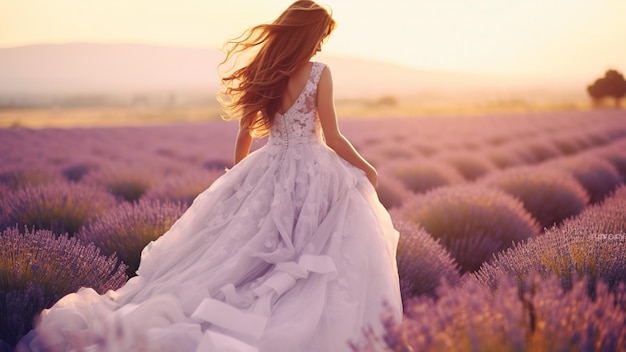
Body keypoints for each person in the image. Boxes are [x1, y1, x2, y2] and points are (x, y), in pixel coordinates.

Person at [17, 1, 402, 351]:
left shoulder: (263, 71)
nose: (320, 45)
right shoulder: (320, 73)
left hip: (268, 165)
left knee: (247, 251)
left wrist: (240, 178)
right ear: (309, 34)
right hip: (315, 173)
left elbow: (245, 133)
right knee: (310, 254)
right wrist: (366, 167)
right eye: (320, 36)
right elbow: (332, 136)